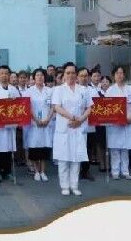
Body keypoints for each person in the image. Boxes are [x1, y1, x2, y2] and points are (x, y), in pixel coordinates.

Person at [52, 62, 93, 196]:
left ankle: (74, 185)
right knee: (64, 158)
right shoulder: (58, 90)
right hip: (64, 127)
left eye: (73, 73)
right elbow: (57, 107)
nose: (71, 75)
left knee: (76, 157)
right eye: (68, 73)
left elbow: (89, 108)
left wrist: (80, 120)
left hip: (78, 127)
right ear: (64, 75)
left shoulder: (83, 90)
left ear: (76, 75)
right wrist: (72, 117)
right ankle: (64, 186)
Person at [0, 65, 20, 182]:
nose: (4, 76)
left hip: (10, 124)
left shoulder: (13, 89)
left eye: (6, 73)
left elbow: (19, 105)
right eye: (2, 73)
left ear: (9, 75)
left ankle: (7, 171)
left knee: (8, 148)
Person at [105, 65, 131, 180]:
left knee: (125, 148)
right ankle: (115, 172)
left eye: (121, 73)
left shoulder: (129, 89)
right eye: (117, 73)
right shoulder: (110, 90)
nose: (119, 75)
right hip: (115, 123)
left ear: (124, 75)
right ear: (114, 75)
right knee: (115, 148)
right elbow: (106, 107)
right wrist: (115, 118)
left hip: (128, 120)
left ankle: (125, 171)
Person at [25, 68, 54, 181]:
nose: (40, 77)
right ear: (34, 77)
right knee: (35, 149)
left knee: (44, 148)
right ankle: (36, 171)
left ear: (44, 77)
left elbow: (53, 106)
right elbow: (27, 107)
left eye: (42, 75)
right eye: (37, 75)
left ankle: (43, 171)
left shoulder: (49, 91)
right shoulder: (29, 91)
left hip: (46, 123)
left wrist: (48, 119)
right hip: (34, 124)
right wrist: (36, 119)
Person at [77, 67, 98, 181]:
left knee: (88, 148)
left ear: (88, 77)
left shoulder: (93, 90)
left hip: (90, 124)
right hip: (77, 124)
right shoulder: (74, 90)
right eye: (81, 76)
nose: (84, 78)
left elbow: (97, 106)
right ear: (77, 77)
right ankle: (76, 170)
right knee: (78, 148)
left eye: (86, 76)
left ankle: (85, 170)